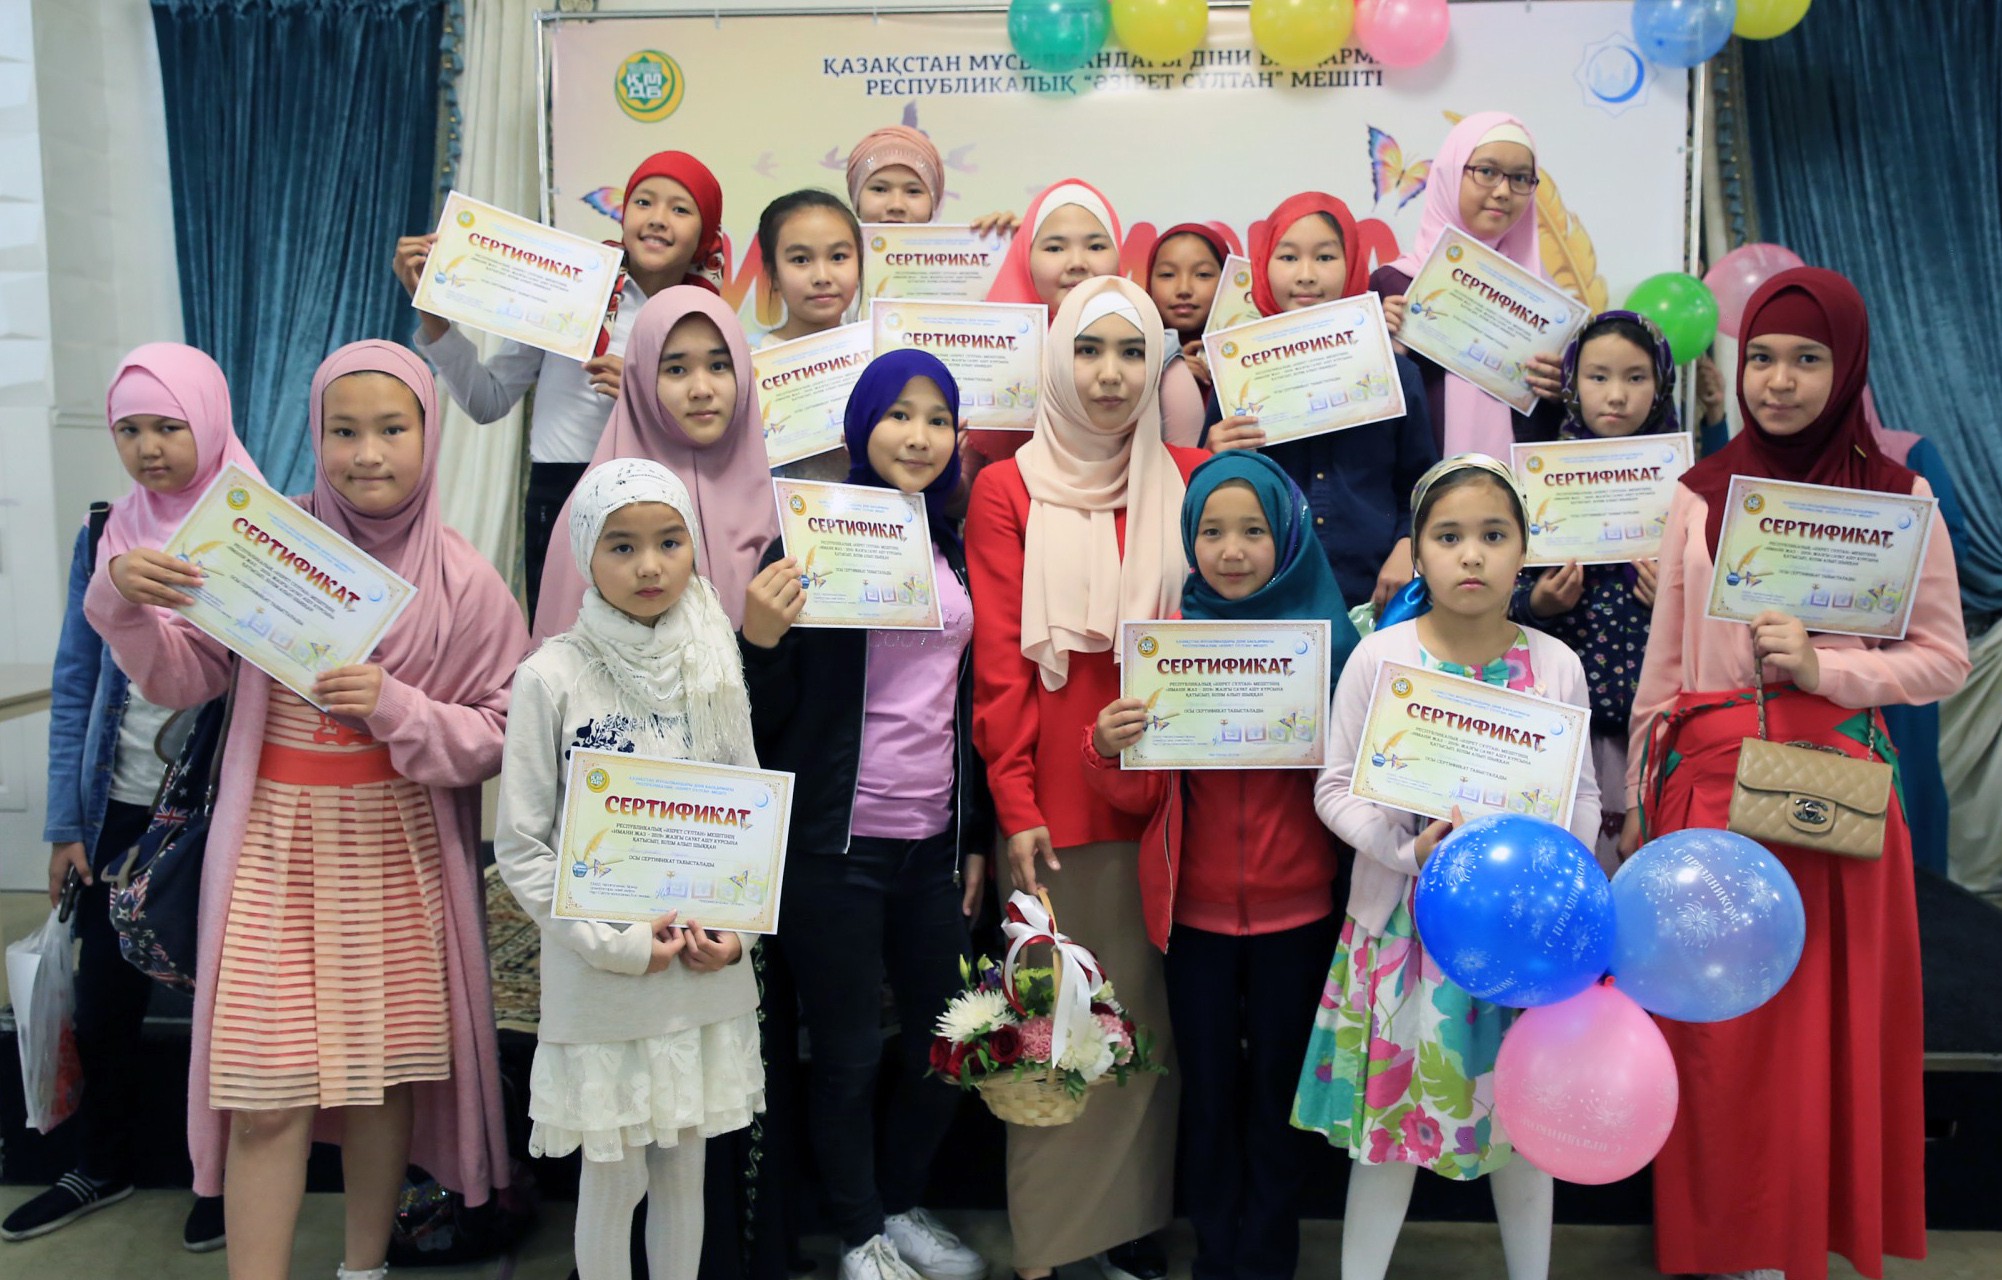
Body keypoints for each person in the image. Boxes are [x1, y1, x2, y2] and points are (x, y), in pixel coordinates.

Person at [88, 341, 529, 1280]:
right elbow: (185, 677)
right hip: (270, 846)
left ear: (431, 434)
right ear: (314, 436)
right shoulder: (264, 546)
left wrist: (398, 706)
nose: (367, 454)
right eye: (343, 431)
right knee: (263, 1089)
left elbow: (504, 729)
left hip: (396, 851)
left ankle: (363, 1268)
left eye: (392, 429)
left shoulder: (465, 577)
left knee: (379, 1084)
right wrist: (122, 605)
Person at [1619, 268, 1969, 1280]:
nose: (1778, 381)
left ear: (1846, 366)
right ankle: (1725, 1245)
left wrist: (1830, 669)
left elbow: (1942, 658)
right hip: (1709, 789)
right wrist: (1642, 799)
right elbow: (1665, 665)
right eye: (1762, 358)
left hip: (1831, 796)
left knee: (1822, 1028)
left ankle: (1796, 1239)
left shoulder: (1898, 499)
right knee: (1721, 1033)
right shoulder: (1699, 494)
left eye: (1806, 359)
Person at [1294, 454, 1601, 1280]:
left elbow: (1582, 798)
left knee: (1523, 1128)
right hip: (1404, 934)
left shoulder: (1555, 664)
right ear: (1418, 552)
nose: (1472, 555)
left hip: (1518, 942)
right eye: (1449, 536)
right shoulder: (1380, 657)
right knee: (1386, 1134)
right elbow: (1333, 787)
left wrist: (1545, 874)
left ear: (1524, 551)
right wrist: (1405, 853)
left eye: (1494, 536)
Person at [965, 277, 1209, 1280]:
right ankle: (1054, 1247)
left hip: (1169, 806)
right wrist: (1015, 805)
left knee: (1146, 1034)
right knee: (1060, 1034)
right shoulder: (1006, 488)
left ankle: (1126, 1231)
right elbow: (1000, 667)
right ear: (1058, 362)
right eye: (1089, 350)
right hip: (1055, 813)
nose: (1111, 374)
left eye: (1131, 352)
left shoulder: (1190, 478)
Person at [739, 350, 991, 1280]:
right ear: (860, 426)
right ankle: (857, 1236)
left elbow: (966, 704)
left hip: (932, 845)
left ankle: (897, 1203)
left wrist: (973, 836)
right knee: (845, 1056)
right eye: (898, 415)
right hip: (831, 847)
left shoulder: (953, 546)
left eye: (937, 419)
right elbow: (759, 718)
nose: (918, 436)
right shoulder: (807, 540)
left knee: (950, 1042)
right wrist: (759, 642)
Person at [1084, 451, 1358, 1280]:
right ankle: (1214, 1253)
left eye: (1252, 531)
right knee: (1206, 1097)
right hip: (1193, 917)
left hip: (1299, 914)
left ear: (1287, 538)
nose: (1231, 550)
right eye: (1211, 532)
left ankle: (1268, 1259)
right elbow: (1139, 800)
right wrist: (1107, 748)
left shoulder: (1333, 647)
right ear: (1188, 540)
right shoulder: (1168, 645)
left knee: (1278, 1098)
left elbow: (1357, 786)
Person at [2, 345, 246, 1251]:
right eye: (129, 430)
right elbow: (77, 678)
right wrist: (67, 823)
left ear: (208, 421)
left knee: (226, 1003)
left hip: (221, 805)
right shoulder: (106, 531)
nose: (149, 448)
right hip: (120, 805)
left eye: (169, 427)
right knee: (106, 999)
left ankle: (224, 1180)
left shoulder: (261, 528)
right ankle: (99, 1161)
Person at [496, 459, 765, 1280]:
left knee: (686, 1169)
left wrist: (737, 936)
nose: (650, 566)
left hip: (698, 972)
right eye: (622, 546)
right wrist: (612, 943)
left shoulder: (715, 660)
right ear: (585, 552)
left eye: (669, 542)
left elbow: (749, 816)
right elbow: (523, 846)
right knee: (614, 1178)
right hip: (603, 978)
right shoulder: (550, 675)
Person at [395, 151, 725, 612]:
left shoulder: (709, 321)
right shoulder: (570, 291)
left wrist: (650, 395)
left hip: (662, 504)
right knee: (561, 642)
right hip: (560, 492)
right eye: (643, 201)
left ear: (705, 232)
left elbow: (721, 443)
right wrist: (433, 317)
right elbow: (487, 401)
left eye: (681, 209)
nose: (657, 218)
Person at [1206, 191, 1436, 616]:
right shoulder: (1234, 377)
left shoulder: (1395, 375)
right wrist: (1212, 457)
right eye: (1288, 257)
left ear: (1352, 263)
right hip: (1263, 597)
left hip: (1374, 594)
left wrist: (1408, 545)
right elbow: (1205, 499)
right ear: (1263, 265)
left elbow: (1421, 484)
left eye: (1326, 257)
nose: (1306, 275)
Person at [1509, 311, 1679, 870]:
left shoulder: (1687, 487)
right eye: (1598, 376)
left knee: (1640, 871)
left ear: (1661, 385)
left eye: (1636, 377)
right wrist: (1538, 603)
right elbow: (1496, 592)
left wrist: (1674, 599)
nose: (1617, 395)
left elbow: (1717, 606)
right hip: (1559, 721)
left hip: (1651, 730)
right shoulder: (1535, 480)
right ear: (1571, 382)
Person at [533, 287, 777, 637]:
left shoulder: (779, 508)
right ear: (642, 378)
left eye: (719, 366)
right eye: (676, 369)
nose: (701, 389)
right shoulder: (595, 510)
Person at [1371, 114, 1565, 457]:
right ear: (1450, 174)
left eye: (1521, 178)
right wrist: (1382, 352)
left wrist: (1561, 389)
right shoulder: (1395, 285)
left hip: (1513, 486)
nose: (1503, 192)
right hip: (1421, 481)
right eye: (1487, 172)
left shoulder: (1547, 305)